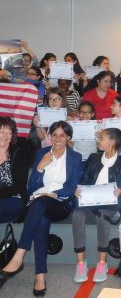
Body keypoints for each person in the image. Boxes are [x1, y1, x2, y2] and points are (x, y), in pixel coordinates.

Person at [0, 121, 82, 296]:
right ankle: (40, 276)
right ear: (49, 136)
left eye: (62, 135)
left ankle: (19, 256)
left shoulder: (75, 157)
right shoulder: (42, 153)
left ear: (68, 137)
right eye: (54, 135)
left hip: (60, 203)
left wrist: (53, 194)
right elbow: (32, 186)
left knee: (41, 202)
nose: (57, 138)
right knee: (41, 219)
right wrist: (40, 167)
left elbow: (71, 187)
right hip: (39, 202)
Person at [72, 128, 121, 283]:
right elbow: (84, 179)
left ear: (112, 142)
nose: (98, 141)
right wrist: (79, 190)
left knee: (102, 215)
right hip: (89, 200)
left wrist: (120, 191)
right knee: (77, 214)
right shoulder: (93, 157)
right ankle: (81, 262)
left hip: (109, 203)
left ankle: (102, 262)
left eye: (101, 138)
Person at [0, 117, 29, 223]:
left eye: (9, 133)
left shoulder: (18, 155)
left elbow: (19, 186)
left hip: (14, 200)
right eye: (2, 131)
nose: (5, 136)